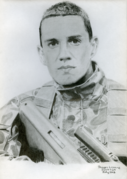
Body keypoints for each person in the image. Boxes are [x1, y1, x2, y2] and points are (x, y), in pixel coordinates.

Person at [0, 1, 126, 164]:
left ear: (93, 46)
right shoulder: (20, 108)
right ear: (42, 54)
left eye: (74, 41)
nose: (63, 54)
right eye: (52, 43)